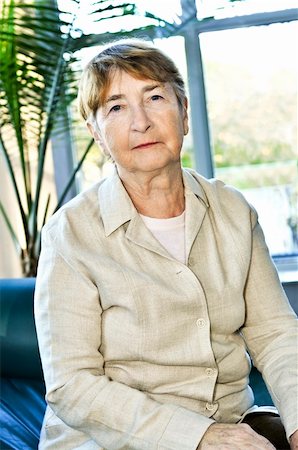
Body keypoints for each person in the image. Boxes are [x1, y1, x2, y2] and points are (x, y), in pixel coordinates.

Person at [34, 39, 298, 450]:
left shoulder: (232, 209)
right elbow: (72, 385)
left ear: (184, 112)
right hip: (113, 439)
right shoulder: (70, 233)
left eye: (154, 96)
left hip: (235, 425)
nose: (140, 121)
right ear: (97, 134)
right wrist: (199, 437)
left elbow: (275, 332)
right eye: (116, 107)